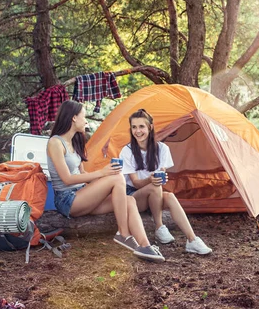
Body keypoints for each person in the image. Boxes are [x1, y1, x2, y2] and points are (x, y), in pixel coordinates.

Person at [46, 100, 164, 262]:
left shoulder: (75, 142)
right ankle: (123, 234)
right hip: (67, 199)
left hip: (82, 194)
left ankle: (144, 245)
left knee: (128, 200)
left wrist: (100, 182)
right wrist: (103, 173)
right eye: (83, 116)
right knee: (116, 178)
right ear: (74, 118)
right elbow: (67, 179)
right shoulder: (55, 143)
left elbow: (82, 173)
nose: (86, 120)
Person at [118, 109, 212, 255]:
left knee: (170, 196)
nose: (138, 131)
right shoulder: (127, 151)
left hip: (154, 196)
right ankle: (159, 226)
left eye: (141, 126)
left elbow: (161, 174)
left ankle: (192, 240)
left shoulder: (162, 149)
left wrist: (160, 178)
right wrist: (151, 180)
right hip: (134, 197)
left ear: (150, 127)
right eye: (134, 127)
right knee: (155, 186)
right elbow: (135, 183)